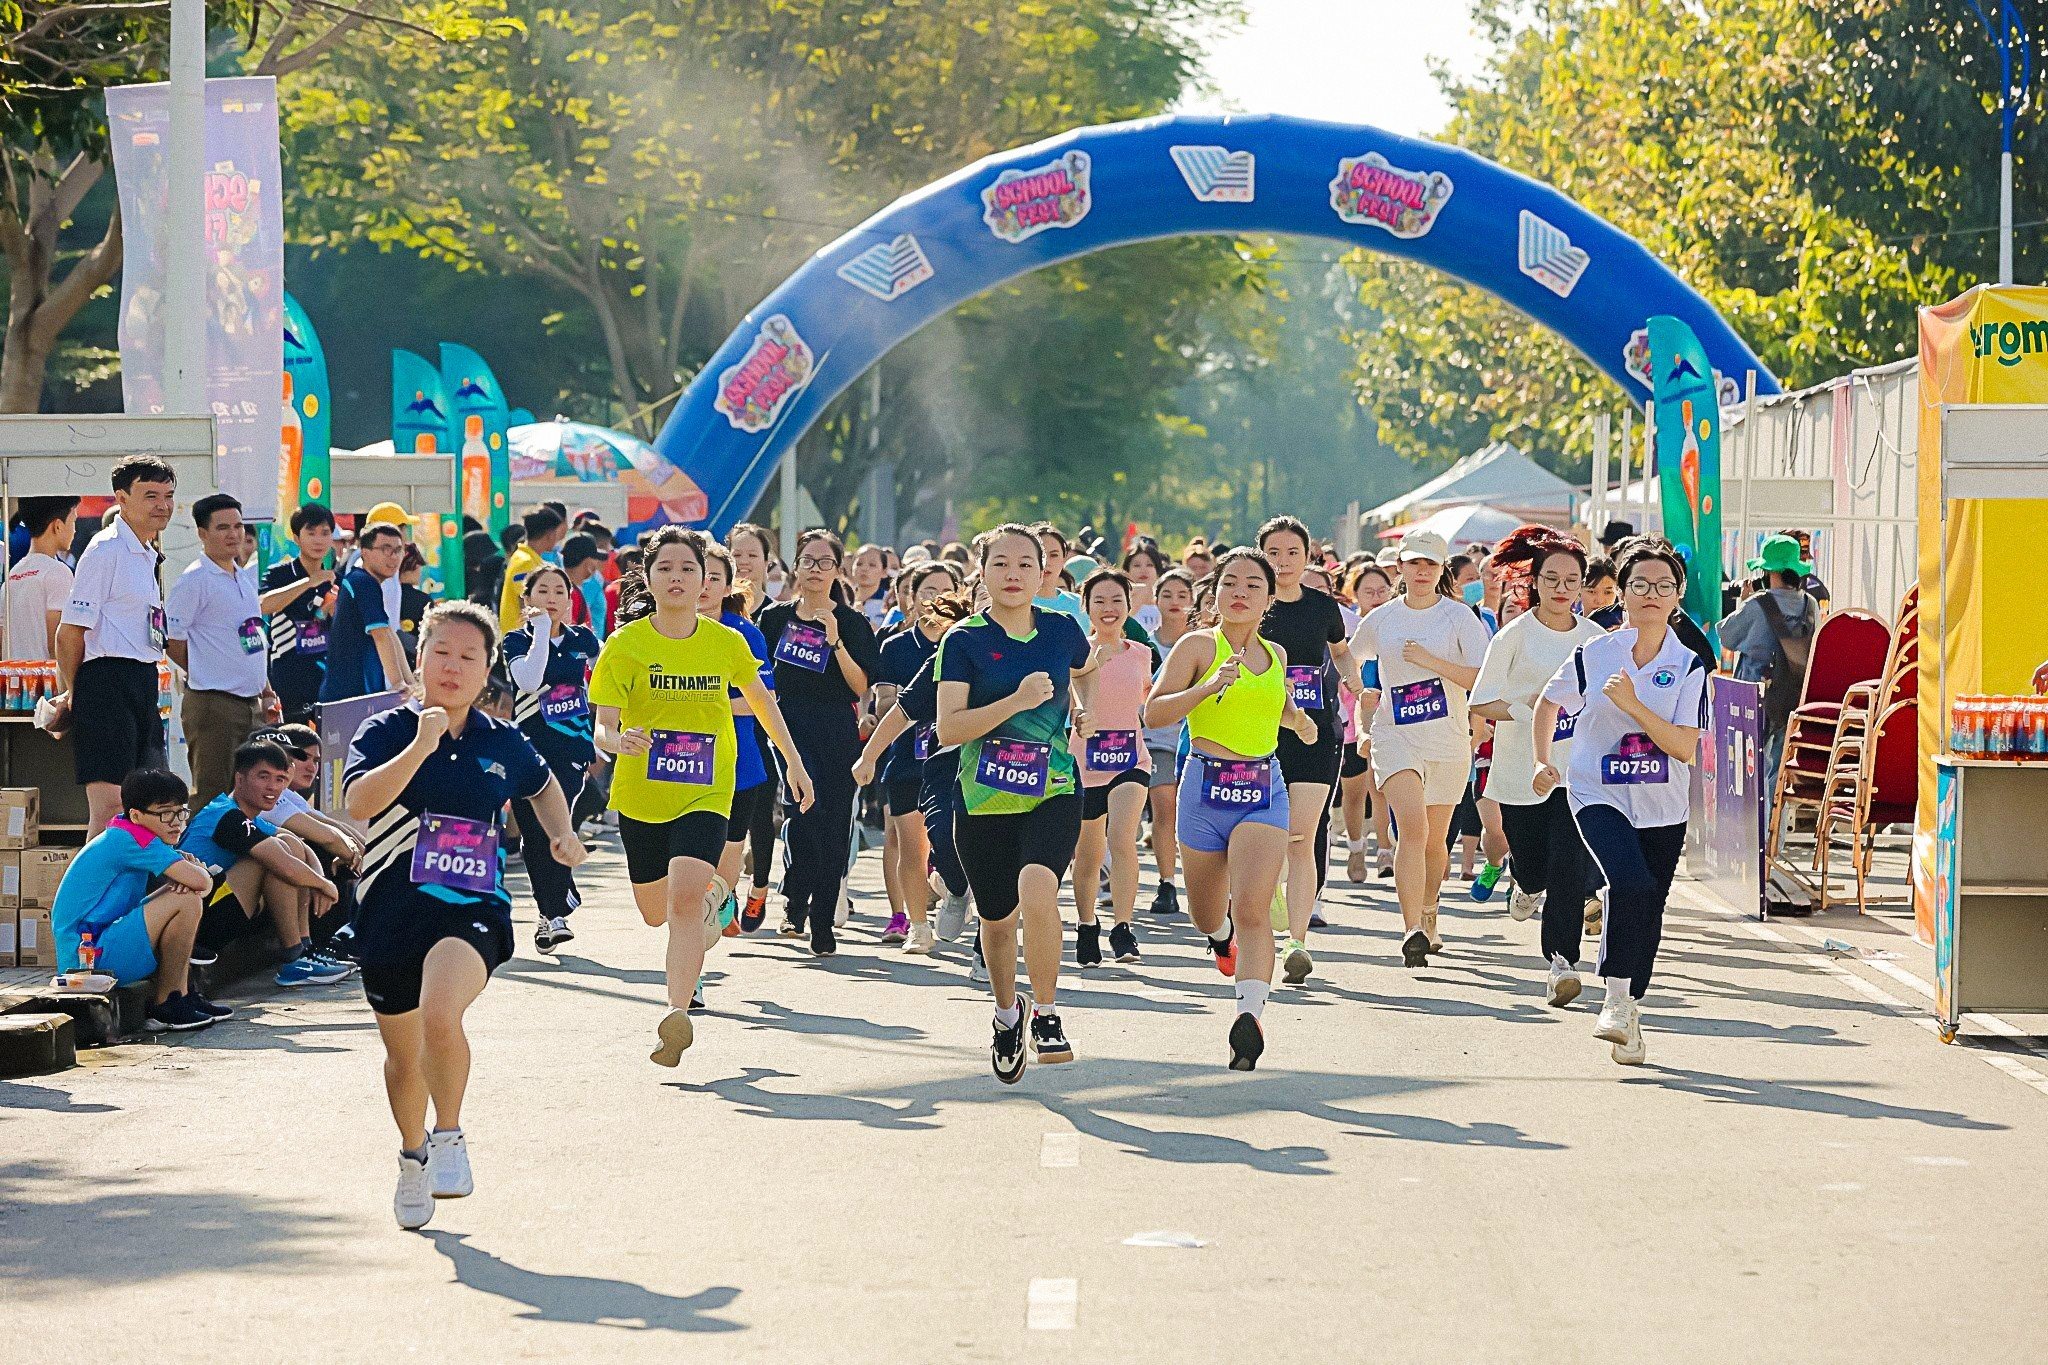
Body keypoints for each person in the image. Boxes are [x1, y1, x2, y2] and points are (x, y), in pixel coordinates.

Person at [345, 601, 586, 1228]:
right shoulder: (386, 730)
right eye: (440, 652)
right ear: (420, 659)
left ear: (488, 671)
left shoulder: (505, 741)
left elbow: (542, 786)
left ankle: (450, 1136)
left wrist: (560, 835)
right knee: (403, 1057)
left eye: (467, 657)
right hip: (392, 908)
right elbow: (358, 802)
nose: (452, 667)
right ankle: (412, 1155)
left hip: (473, 904)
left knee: (442, 1011)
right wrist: (420, 745)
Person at [591, 528, 813, 1063]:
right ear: (648, 577)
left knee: (683, 902)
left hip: (706, 789)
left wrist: (794, 761)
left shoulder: (726, 642)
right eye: (665, 568)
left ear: (707, 581)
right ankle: (716, 900)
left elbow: (763, 703)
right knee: (653, 911)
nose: (678, 578)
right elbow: (602, 728)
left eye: (689, 569)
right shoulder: (625, 646)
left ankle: (677, 1013)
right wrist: (619, 741)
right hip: (642, 794)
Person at [1533, 536, 1708, 1067]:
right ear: (1622, 595)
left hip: (1662, 802)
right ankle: (1612, 1000)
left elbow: (1683, 746)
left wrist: (1633, 707)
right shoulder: (1594, 652)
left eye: (1662, 586)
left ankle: (1630, 1009)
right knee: (1626, 882)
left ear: (1677, 595)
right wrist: (1544, 760)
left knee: (1648, 903)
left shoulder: (1689, 664)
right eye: (1639, 585)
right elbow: (1548, 701)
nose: (1651, 594)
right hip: (1597, 791)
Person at [1146, 547, 1319, 1070]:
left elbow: (1275, 703)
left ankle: (1249, 1016)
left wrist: (1300, 722)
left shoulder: (1277, 655)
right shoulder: (1198, 646)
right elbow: (1153, 710)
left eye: (1252, 585)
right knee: (1207, 913)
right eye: (1229, 584)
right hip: (1203, 787)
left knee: (1252, 907)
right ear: (1215, 594)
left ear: (1269, 599)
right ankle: (1220, 941)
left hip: (1263, 788)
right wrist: (1207, 686)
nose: (1239, 593)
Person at [937, 525, 1096, 1081]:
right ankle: (1008, 1014)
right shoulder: (962, 641)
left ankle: (1048, 1014)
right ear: (981, 572)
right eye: (1001, 564)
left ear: (1043, 573)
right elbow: (949, 728)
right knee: (997, 920)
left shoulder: (1061, 630)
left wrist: (1080, 708)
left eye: (1025, 564)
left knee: (1038, 889)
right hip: (982, 799)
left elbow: (1084, 670)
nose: (1013, 574)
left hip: (1052, 788)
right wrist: (1017, 701)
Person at [1470, 528, 1607, 1006]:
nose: (1562, 587)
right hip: (1518, 774)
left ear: (1582, 583)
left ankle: (1562, 962)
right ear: (1535, 582)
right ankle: (1523, 882)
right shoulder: (1514, 636)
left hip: (1575, 775)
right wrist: (1530, 707)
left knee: (1569, 865)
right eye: (1552, 578)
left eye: (1572, 579)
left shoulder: (1595, 638)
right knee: (1531, 861)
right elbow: (1482, 702)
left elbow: (1609, 700)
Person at [1347, 530, 1492, 967]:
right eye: (1414, 563)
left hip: (1447, 739)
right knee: (1411, 829)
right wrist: (1361, 702)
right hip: (1396, 734)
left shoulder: (1459, 617)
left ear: (1442, 568)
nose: (1422, 570)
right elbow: (1348, 657)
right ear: (1401, 569)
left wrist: (1432, 663)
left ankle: (1430, 909)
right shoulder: (1383, 618)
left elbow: (1483, 680)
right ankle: (1411, 928)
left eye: (1430, 563)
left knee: (1434, 840)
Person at [1257, 515, 1368, 985]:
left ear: (1309, 557)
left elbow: (1340, 650)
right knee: (1266, 836)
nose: (1283, 563)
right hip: (1256, 732)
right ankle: (1260, 912)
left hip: (1314, 731)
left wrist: (1355, 680)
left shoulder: (1323, 606)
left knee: (1301, 837)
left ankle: (1297, 941)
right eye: (1274, 553)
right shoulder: (1249, 604)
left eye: (1292, 554)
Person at [756, 529, 877, 952]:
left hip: (835, 730)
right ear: (795, 565)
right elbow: (759, 677)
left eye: (824, 562)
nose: (814, 570)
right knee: (802, 814)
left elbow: (860, 685)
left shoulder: (853, 623)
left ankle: (822, 918)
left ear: (837, 570)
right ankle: (794, 899)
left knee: (833, 825)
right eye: (807, 560)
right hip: (788, 727)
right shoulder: (773, 619)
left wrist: (835, 641)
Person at [54, 455, 177, 836]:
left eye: (169, 496)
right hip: (105, 682)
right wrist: (77, 692)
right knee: (110, 809)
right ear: (121, 498)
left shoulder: (145, 551)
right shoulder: (105, 550)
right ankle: (87, 895)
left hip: (142, 681)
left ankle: (132, 893)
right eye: (151, 495)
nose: (163, 505)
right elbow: (69, 632)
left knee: (149, 806)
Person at [51, 768, 220, 1032]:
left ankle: (182, 995)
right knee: (186, 898)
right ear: (136, 815)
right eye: (165, 813)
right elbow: (202, 882)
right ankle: (166, 1003)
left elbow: (192, 880)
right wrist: (197, 875)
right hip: (87, 960)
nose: (175, 822)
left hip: (95, 948)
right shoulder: (134, 841)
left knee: (183, 894)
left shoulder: (127, 833)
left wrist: (189, 877)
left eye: (180, 812)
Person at [854, 560, 961, 952]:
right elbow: (886, 702)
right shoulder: (897, 646)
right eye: (927, 591)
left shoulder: (965, 641)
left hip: (956, 756)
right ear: (911, 599)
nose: (935, 599)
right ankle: (917, 923)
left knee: (953, 838)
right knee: (910, 844)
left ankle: (954, 887)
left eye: (944, 591)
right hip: (906, 755)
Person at [183, 740, 349, 986]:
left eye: (281, 779)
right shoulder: (226, 815)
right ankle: (294, 956)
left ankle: (304, 949)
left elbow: (297, 846)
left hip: (216, 910)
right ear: (239, 779)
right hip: (195, 927)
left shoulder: (248, 816)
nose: (273, 787)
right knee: (273, 859)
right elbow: (285, 864)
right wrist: (325, 885)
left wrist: (317, 877)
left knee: (287, 846)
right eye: (264, 777)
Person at [502, 566, 603, 955]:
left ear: (570, 599)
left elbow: (608, 667)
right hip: (528, 748)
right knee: (534, 834)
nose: (552, 598)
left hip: (571, 750)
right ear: (528, 598)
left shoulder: (583, 639)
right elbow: (528, 680)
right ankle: (556, 906)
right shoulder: (515, 641)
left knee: (557, 830)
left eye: (560, 591)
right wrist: (541, 630)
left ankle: (552, 916)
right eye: (543, 591)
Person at [167, 494, 282, 808]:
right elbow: (171, 639)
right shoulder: (195, 580)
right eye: (222, 527)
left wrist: (266, 690)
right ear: (202, 534)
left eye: (238, 526)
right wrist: (207, 668)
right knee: (213, 799)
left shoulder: (241, 575)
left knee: (250, 798)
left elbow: (251, 638)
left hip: (251, 704)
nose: (234, 534)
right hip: (213, 705)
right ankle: (200, 858)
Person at [1070, 568, 1156, 966]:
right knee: (1087, 854)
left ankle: (1123, 927)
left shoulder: (1141, 653)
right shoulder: (1074, 654)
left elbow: (1146, 700)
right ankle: (1087, 925)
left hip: (1130, 759)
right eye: (1099, 601)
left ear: (1129, 606)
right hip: (1084, 762)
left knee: (1122, 837)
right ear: (1085, 606)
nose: (1109, 609)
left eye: (1116, 601)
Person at [699, 544, 775, 967]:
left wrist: (703, 703)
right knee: (685, 875)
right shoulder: (660, 631)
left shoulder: (744, 633)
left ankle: (704, 937)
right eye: (698, 574)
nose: (705, 585)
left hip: (738, 764)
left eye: (715, 577)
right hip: (677, 768)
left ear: (728, 585)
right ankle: (692, 966)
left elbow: (764, 699)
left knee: (716, 881)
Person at [1717, 533, 1821, 779]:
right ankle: (1776, 817)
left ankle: (1757, 818)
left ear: (1769, 571)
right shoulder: (1810, 604)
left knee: (1749, 765)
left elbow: (1727, 637)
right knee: (1780, 765)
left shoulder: (1757, 604)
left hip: (1754, 693)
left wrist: (1742, 603)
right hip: (1792, 692)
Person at [1143, 568, 1196, 916]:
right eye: (1167, 596)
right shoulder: (1144, 644)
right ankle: (1167, 883)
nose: (1175, 603)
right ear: (1156, 600)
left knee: (1188, 812)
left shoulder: (1204, 643)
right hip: (1156, 739)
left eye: (1182, 595)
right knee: (1164, 806)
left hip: (1196, 740)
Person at [1339, 563, 1395, 880]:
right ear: (1354, 594)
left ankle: (1385, 850)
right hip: (1350, 720)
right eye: (1368, 591)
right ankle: (1357, 846)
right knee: (1354, 793)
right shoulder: (1347, 632)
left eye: (1381, 590)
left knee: (1379, 784)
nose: (1376, 597)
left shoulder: (1398, 625)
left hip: (1388, 717)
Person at [321, 523, 417, 703]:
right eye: (385, 549)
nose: (394, 557)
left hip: (353, 695)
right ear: (364, 552)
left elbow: (389, 634)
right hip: (349, 697)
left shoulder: (365, 582)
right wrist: (399, 685)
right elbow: (380, 635)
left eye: (398, 550)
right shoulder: (364, 583)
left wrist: (410, 683)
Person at [260, 503, 338, 723]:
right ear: (296, 538)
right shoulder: (280, 574)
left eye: (325, 533)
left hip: (325, 682)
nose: (318, 540)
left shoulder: (337, 580)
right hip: (286, 680)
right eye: (310, 533)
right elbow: (264, 605)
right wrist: (308, 582)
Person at [5, 496, 77, 659]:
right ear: (58, 526)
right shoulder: (58, 572)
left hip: (13, 680)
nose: (75, 530)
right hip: (46, 681)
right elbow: (58, 644)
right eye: (73, 522)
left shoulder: (12, 575)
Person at [497, 505, 569, 633]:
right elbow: (526, 602)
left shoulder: (531, 559)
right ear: (549, 534)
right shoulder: (525, 562)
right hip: (521, 642)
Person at [562, 533, 609, 637]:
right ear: (588, 562)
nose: (597, 563)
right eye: (595, 558)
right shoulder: (569, 593)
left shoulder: (562, 589)